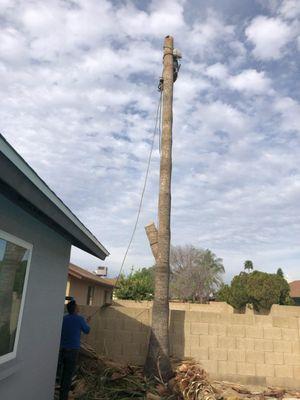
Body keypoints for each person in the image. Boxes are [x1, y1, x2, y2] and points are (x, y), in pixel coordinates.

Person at [57, 300, 91, 400]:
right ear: (75, 309)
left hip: (62, 350)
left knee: (61, 374)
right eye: (77, 306)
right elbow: (87, 330)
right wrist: (87, 322)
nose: (78, 307)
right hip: (72, 351)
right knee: (68, 375)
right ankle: (63, 397)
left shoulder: (63, 318)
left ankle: (60, 393)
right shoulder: (80, 319)